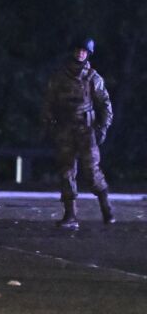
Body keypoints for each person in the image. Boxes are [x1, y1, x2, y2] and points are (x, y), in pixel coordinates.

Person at [42, 37, 115, 229]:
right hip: (65, 129)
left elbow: (105, 104)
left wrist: (103, 127)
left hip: (86, 129)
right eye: (77, 50)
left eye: (84, 51)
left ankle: (106, 208)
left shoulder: (93, 78)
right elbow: (49, 101)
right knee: (66, 172)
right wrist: (49, 122)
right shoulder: (59, 77)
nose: (80, 53)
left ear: (88, 53)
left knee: (92, 173)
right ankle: (70, 214)